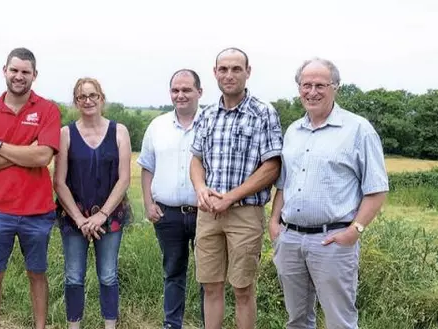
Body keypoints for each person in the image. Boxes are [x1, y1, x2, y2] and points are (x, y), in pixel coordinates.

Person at [269, 58, 389, 329]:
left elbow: (377, 189)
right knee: (296, 320)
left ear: (335, 87)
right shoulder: (293, 131)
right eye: (306, 85)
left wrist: (354, 231)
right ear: (299, 88)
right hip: (290, 240)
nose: (312, 92)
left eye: (320, 85)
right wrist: (274, 223)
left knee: (340, 321)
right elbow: (284, 184)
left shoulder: (358, 130)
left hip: (333, 241)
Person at [189, 47, 284, 329]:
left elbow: (272, 167)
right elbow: (196, 158)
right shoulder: (207, 115)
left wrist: (229, 198)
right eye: (223, 69)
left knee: (243, 288)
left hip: (244, 213)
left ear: (248, 72)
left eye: (236, 69)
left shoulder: (263, 113)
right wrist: (201, 189)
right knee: (211, 285)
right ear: (215, 73)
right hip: (208, 213)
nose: (229, 75)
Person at [0, 47, 61, 329]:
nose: (19, 76)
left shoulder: (48, 110)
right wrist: (24, 153)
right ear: (4, 71)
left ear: (34, 75)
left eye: (25, 72)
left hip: (38, 209)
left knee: (37, 274)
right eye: (14, 70)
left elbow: (43, 157)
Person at [53, 77, 132, 329]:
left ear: (101, 98)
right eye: (81, 97)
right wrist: (79, 219)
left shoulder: (119, 131)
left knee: (108, 275)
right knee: (73, 277)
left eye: (92, 95)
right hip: (73, 216)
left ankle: (110, 326)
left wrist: (102, 215)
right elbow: (59, 182)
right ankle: (73, 326)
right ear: (75, 102)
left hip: (111, 216)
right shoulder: (65, 134)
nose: (87, 101)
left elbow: (124, 178)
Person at [137, 69, 205, 329]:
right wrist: (148, 203)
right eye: (176, 90)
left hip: (205, 213)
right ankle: (171, 324)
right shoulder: (158, 125)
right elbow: (146, 167)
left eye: (186, 90)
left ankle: (206, 324)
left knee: (207, 277)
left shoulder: (210, 122)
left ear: (199, 92)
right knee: (173, 273)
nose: (181, 95)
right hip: (168, 215)